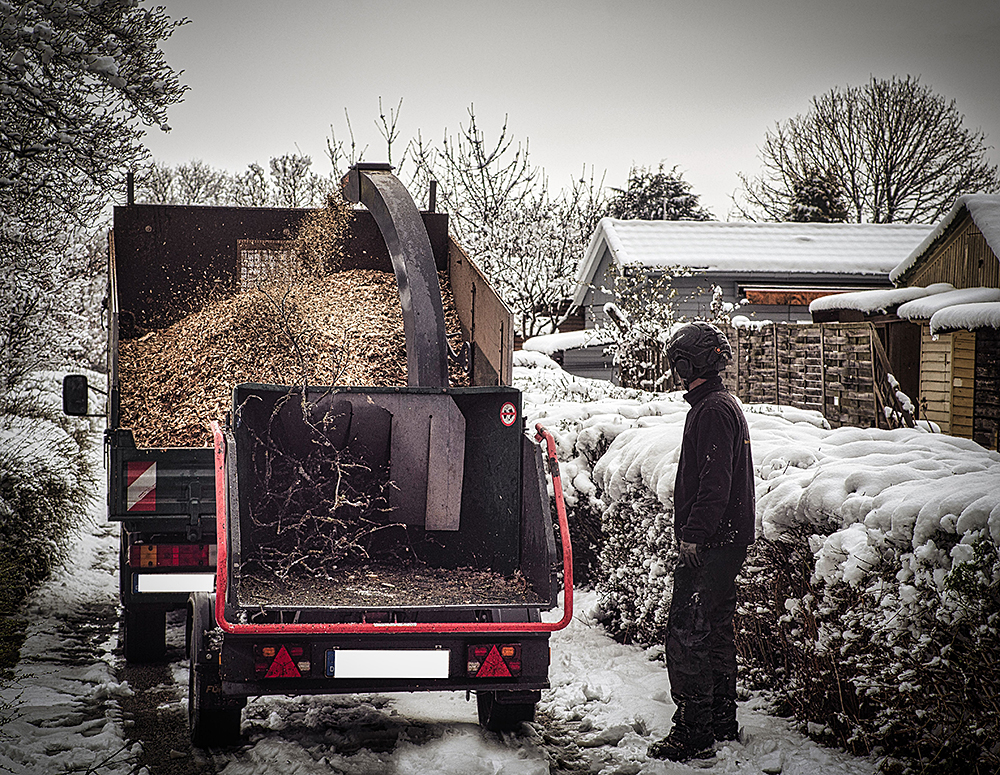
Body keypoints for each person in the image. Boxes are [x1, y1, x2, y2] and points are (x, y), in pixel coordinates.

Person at [647, 321, 756, 763]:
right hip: (727, 541)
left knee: (688, 634)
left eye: (678, 362)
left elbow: (715, 483)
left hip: (712, 543)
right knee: (714, 630)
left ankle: (693, 732)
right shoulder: (719, 405)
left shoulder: (711, 410)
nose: (676, 370)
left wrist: (694, 534)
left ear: (690, 363)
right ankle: (720, 721)